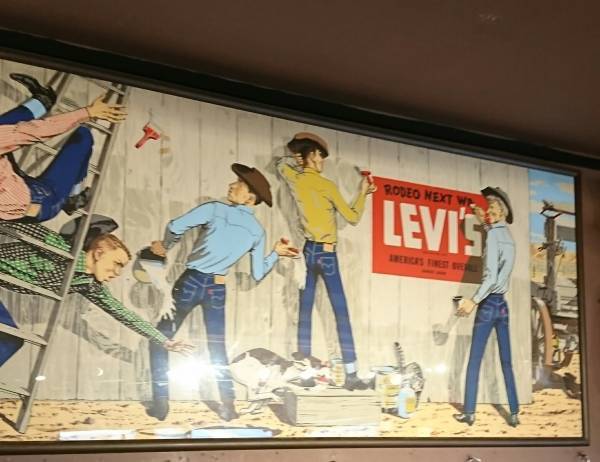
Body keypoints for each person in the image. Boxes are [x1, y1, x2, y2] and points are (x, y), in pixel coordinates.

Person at [146, 163, 298, 422]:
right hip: (217, 287)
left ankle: (160, 404)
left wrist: (166, 246)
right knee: (217, 348)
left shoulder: (215, 209)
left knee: (159, 338)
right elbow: (258, 273)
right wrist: (275, 253)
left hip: (191, 281)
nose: (231, 185)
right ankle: (229, 406)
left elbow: (174, 226)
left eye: (238, 184)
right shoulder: (257, 231)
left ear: (250, 197)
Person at [0, 219, 192, 368]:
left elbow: (124, 314)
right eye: (117, 263)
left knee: (11, 341)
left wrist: (164, 341)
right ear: (99, 253)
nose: (117, 273)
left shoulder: (89, 284)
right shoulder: (63, 249)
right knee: (10, 340)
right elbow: (19, 226)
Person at [276, 132, 376, 390]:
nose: (322, 161)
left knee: (304, 314)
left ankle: (305, 374)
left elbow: (281, 165)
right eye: (320, 156)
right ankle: (351, 374)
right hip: (327, 254)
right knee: (341, 314)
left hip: (308, 252)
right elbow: (352, 216)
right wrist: (363, 192)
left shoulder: (294, 178)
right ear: (312, 155)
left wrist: (296, 159)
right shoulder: (326, 185)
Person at [0, 73, 126, 222]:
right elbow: (37, 131)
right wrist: (88, 112)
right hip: (43, 200)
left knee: (4, 128)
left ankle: (43, 101)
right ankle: (73, 197)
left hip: (15, 190)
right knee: (83, 136)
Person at [454, 186, 520, 427]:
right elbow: (492, 231)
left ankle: (469, 412)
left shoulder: (493, 236)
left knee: (474, 360)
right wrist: (482, 219)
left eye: (492, 208)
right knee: (507, 362)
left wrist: (473, 300)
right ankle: (514, 412)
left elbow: (490, 277)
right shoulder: (507, 237)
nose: (488, 211)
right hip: (503, 306)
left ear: (502, 212)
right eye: (488, 208)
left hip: (488, 303)